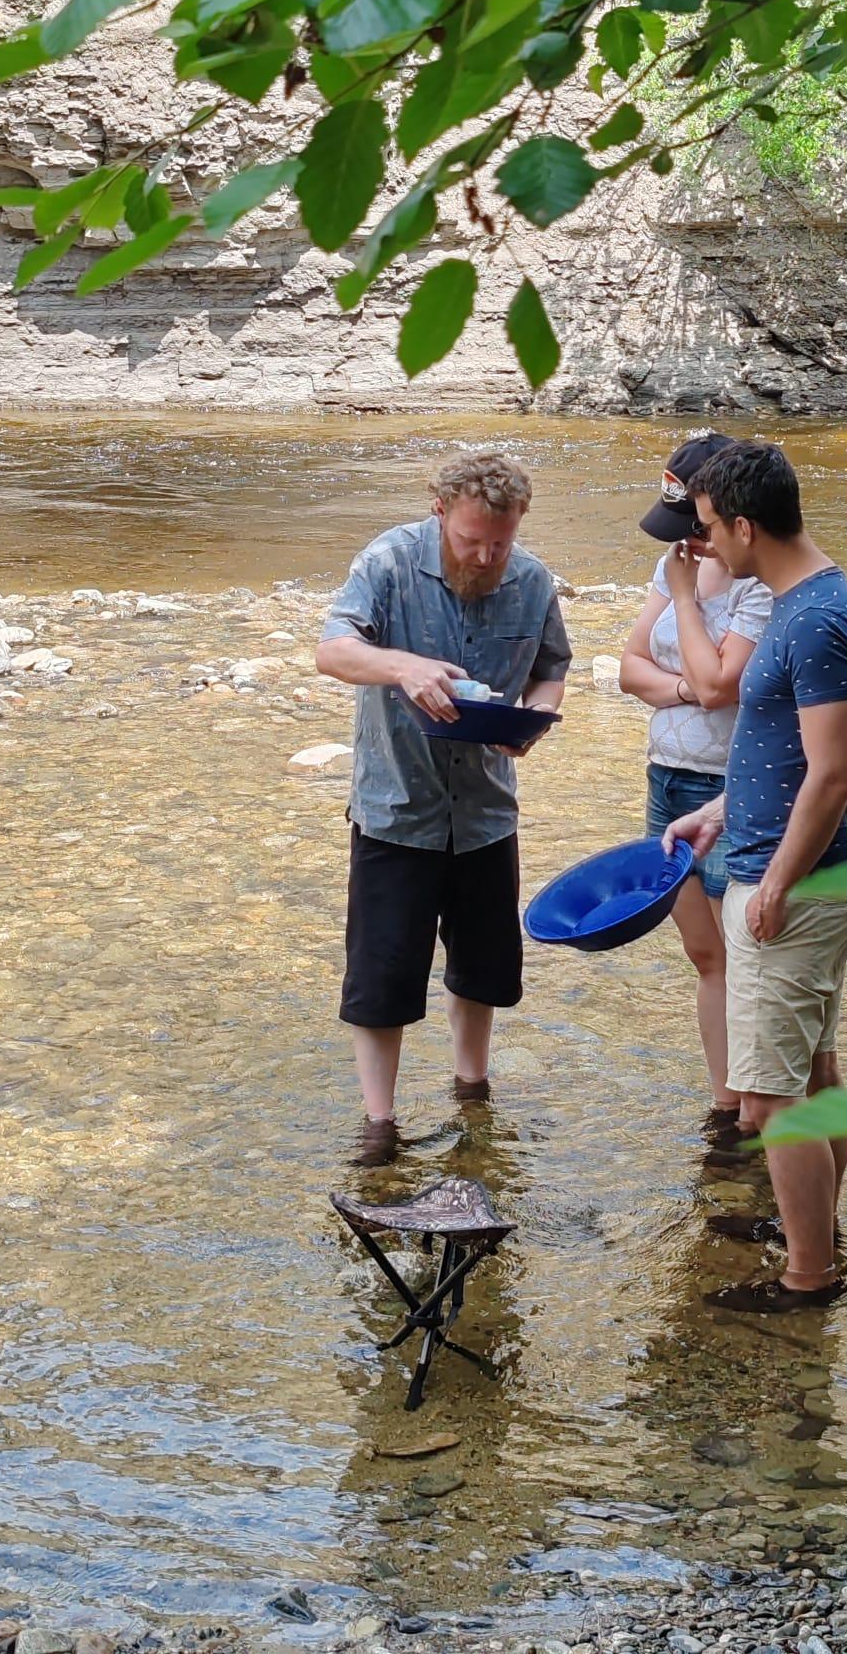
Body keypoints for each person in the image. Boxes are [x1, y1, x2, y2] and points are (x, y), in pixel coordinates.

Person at [662, 441, 847, 1314]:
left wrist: (779, 883)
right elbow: (786, 757)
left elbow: (831, 774)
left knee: (772, 1099)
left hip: (794, 886)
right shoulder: (808, 602)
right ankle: (811, 1231)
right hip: (780, 861)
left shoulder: (814, 620)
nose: (704, 543)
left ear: (746, 524)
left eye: (710, 527)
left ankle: (808, 1277)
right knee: (815, 1076)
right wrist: (720, 813)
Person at [316, 450, 571, 1163]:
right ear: (440, 514)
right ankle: (378, 1122)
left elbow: (552, 668)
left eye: (501, 541)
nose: (487, 556)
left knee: (483, 968)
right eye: (471, 541)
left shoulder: (532, 579)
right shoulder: (390, 562)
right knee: (383, 974)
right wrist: (403, 665)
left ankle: (472, 1087)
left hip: (487, 812)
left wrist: (537, 718)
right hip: (397, 805)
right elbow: (331, 651)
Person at [618, 434, 771, 1134]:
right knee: (704, 953)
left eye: (698, 528)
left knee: (749, 951)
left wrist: (683, 607)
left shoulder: (761, 582)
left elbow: (720, 688)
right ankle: (724, 1102)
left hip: (735, 787)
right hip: (668, 780)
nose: (689, 543)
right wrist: (681, 684)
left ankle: (759, 1103)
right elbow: (628, 666)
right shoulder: (673, 562)